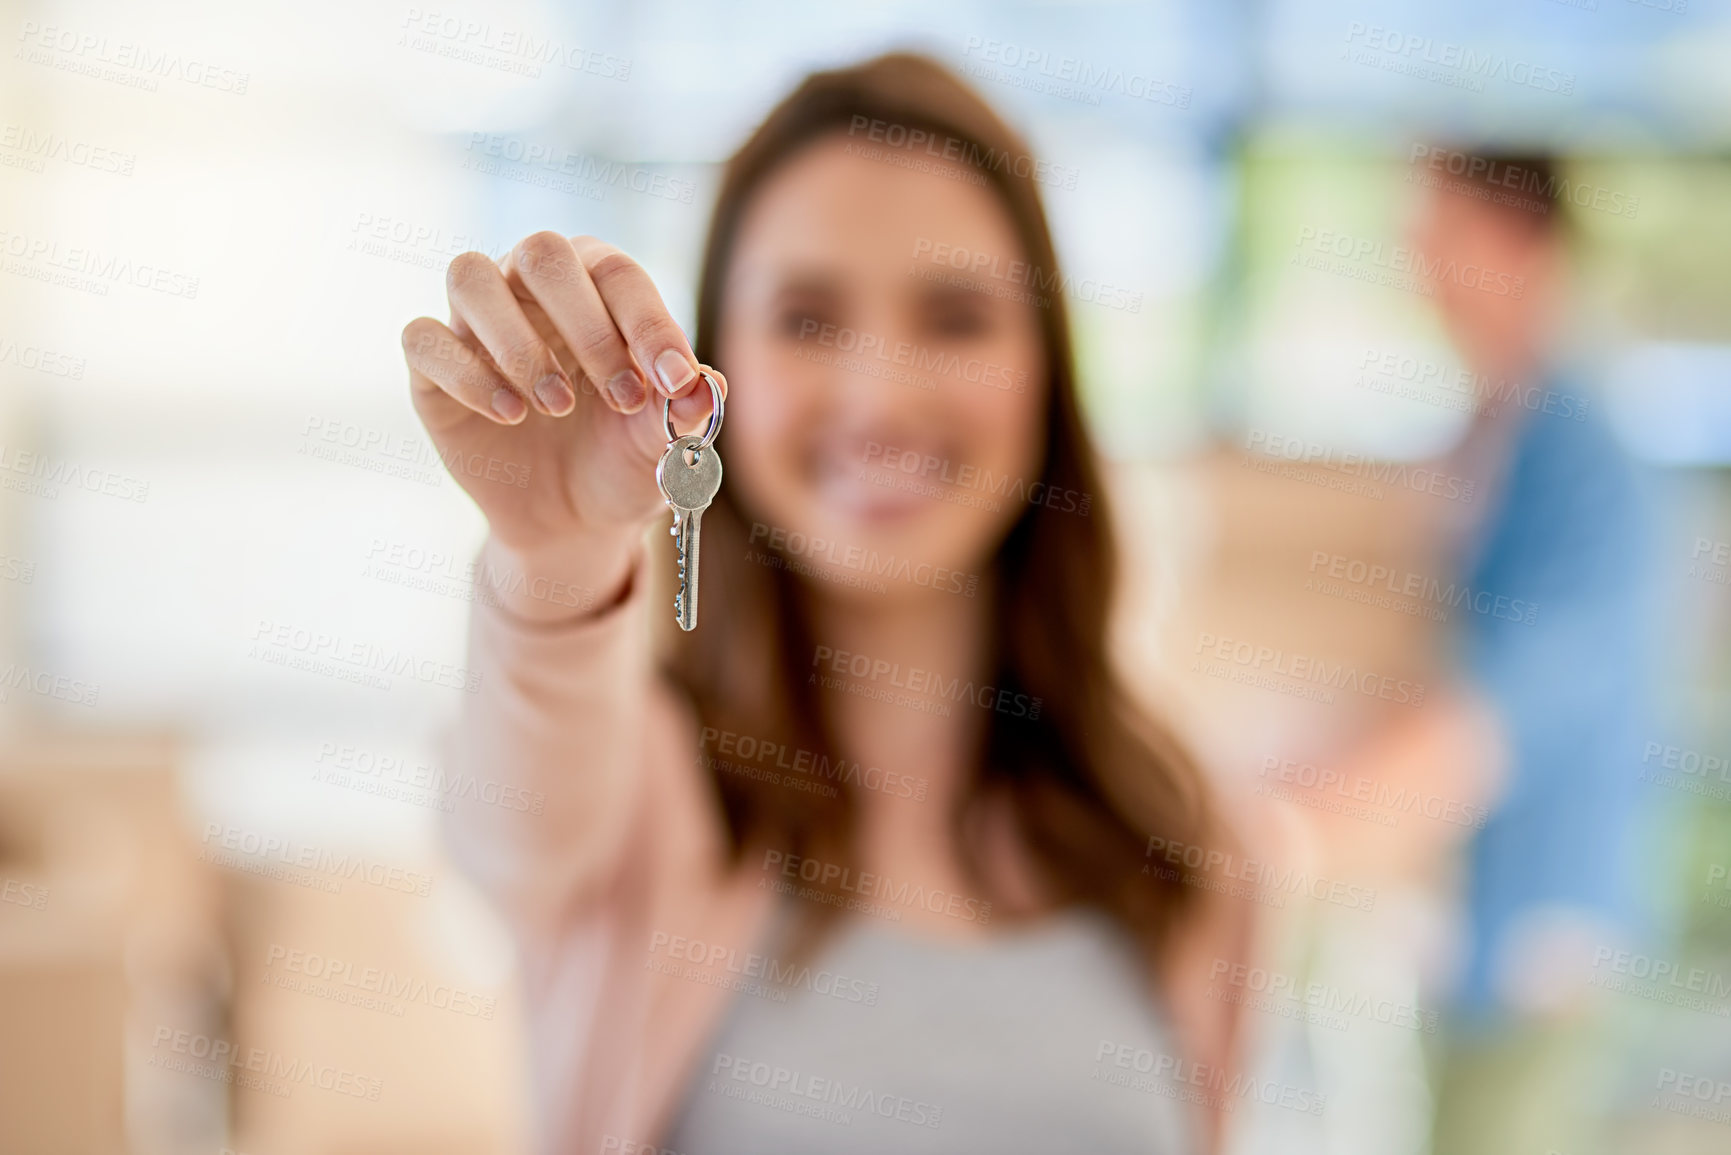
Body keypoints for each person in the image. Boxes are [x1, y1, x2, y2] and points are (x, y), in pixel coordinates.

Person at [400, 54, 1255, 1155]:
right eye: (806, 319)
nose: (881, 392)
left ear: (1047, 372)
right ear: (710, 379)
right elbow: (505, 838)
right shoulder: (640, 789)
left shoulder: (1190, 843)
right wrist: (552, 549)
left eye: (955, 317)